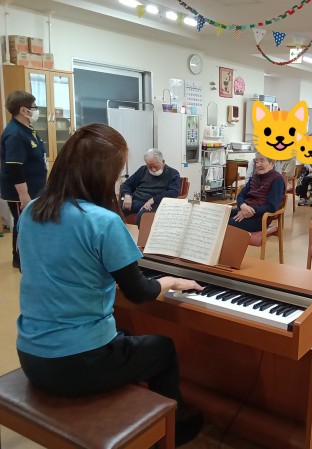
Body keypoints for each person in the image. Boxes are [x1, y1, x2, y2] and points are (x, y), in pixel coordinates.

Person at [16, 124, 203, 446]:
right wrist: (171, 280)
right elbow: (139, 292)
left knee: (125, 334)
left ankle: (135, 407)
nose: (118, 181)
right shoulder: (102, 221)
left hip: (31, 355)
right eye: (117, 173)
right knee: (162, 348)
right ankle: (177, 429)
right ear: (101, 174)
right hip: (76, 363)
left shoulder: (33, 209)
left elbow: (36, 266)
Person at [0, 91, 47, 269]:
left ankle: (28, 256)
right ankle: (19, 259)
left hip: (34, 187)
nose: (36, 110)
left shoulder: (27, 129)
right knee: (23, 223)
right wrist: (23, 195)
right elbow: (14, 166)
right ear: (23, 110)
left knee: (30, 222)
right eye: (34, 107)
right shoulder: (14, 133)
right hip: (20, 192)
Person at [121, 149, 181, 226]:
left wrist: (154, 199)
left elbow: (174, 192)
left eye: (155, 166)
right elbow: (127, 184)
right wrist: (127, 194)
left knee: (143, 216)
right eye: (149, 167)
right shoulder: (143, 170)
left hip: (155, 203)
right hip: (137, 200)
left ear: (163, 162)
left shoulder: (173, 173)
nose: (153, 170)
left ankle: (143, 234)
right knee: (115, 209)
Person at [229, 154, 285, 232]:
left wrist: (250, 211)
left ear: (272, 163)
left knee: (227, 223)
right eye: (256, 162)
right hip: (245, 209)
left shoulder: (277, 179)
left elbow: (271, 207)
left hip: (260, 218)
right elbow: (240, 196)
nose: (258, 165)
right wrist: (243, 205)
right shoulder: (254, 178)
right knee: (220, 216)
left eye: (262, 161)